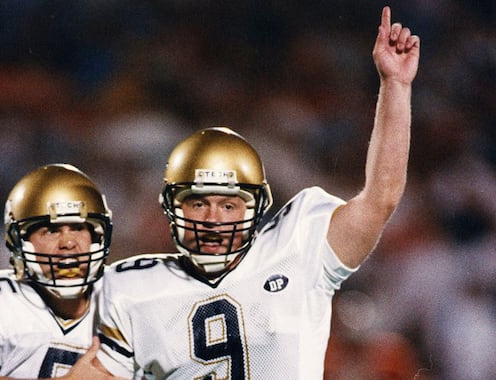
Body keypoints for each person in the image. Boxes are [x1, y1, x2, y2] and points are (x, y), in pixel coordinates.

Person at [95, 6, 420, 379]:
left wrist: (396, 86)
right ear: (172, 207)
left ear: (256, 206)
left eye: (229, 204)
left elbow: (381, 199)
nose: (214, 219)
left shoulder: (296, 248)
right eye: (199, 202)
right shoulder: (130, 287)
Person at [0, 164, 119, 379]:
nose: (68, 242)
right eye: (50, 230)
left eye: (78, 228)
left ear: (98, 236)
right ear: (20, 242)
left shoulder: (129, 301)